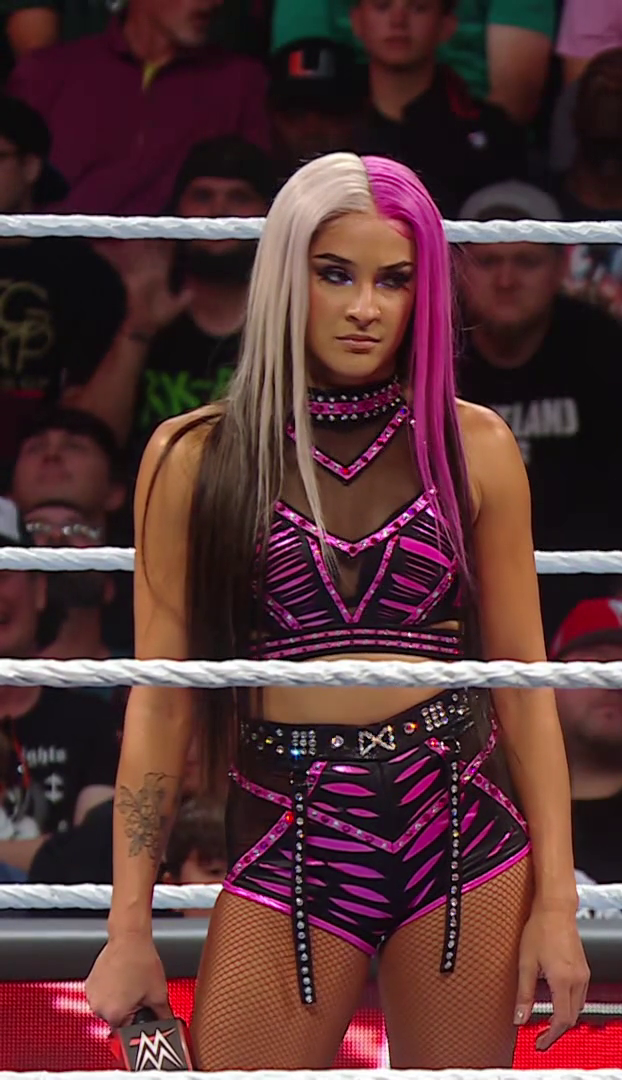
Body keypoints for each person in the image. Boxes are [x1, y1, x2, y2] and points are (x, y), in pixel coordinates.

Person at [81, 153, 588, 1067]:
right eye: (335, 274)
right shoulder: (193, 457)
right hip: (290, 825)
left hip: (460, 825)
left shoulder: (474, 445)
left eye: (394, 280)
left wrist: (559, 904)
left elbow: (524, 686)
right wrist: (128, 927)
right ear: (286, 276)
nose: (365, 307)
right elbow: (159, 704)